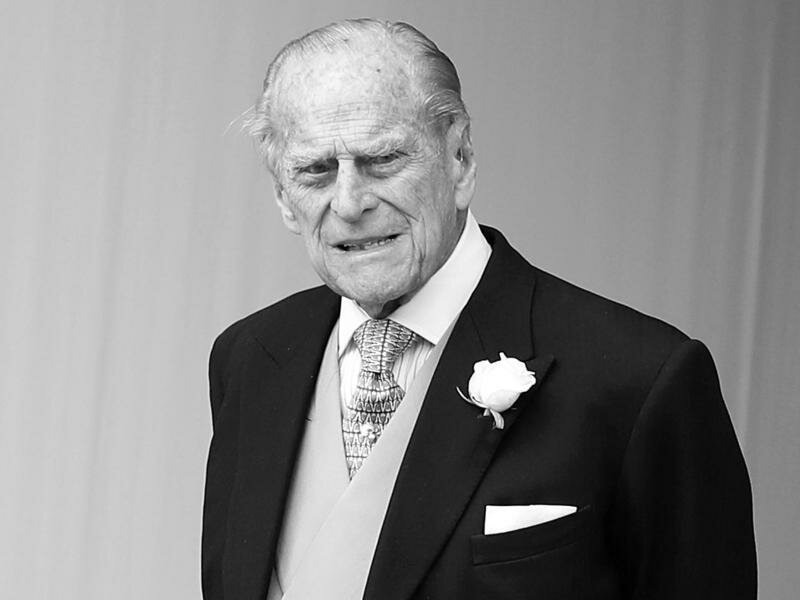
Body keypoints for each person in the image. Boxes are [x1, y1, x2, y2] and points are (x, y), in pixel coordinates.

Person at [201, 18, 756, 600]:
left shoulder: (639, 379)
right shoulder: (249, 360)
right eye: (315, 170)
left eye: (383, 160)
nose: (349, 202)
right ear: (283, 197)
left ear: (460, 158)